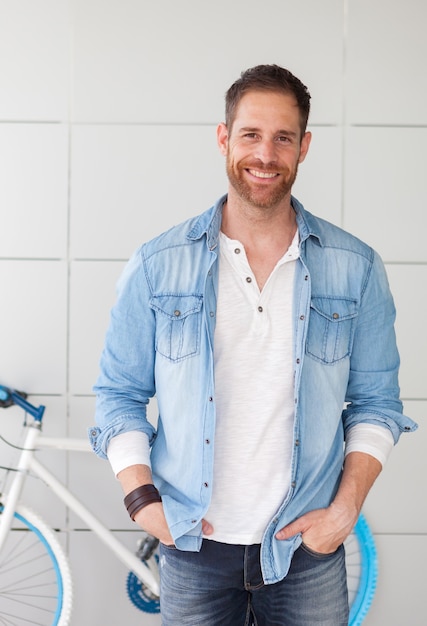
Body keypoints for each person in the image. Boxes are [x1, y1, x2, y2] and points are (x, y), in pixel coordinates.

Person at [90, 64, 417, 625]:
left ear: (304, 147)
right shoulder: (158, 264)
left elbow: (377, 404)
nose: (265, 154)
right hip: (193, 547)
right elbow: (119, 394)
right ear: (224, 138)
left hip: (305, 553)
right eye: (250, 135)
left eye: (283, 138)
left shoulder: (355, 268)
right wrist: (143, 503)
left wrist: (345, 510)